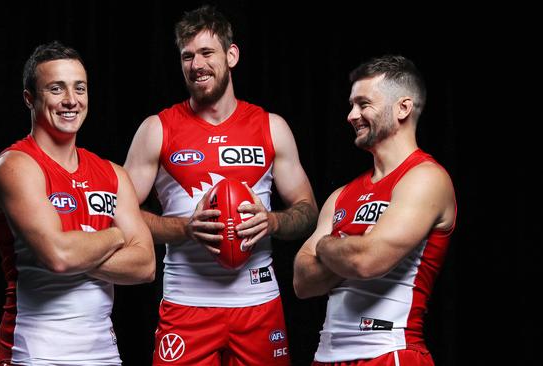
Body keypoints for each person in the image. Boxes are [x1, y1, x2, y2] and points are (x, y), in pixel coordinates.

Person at [123, 5, 318, 366]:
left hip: (258, 305)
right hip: (186, 305)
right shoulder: (157, 128)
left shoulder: (271, 126)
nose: (196, 65)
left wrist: (271, 221)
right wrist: (185, 228)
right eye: (187, 56)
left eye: (206, 52)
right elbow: (122, 216)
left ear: (231, 55)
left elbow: (308, 211)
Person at [0, 41, 155, 366]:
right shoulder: (15, 167)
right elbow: (58, 256)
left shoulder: (113, 174)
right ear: (29, 99)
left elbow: (145, 265)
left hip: (103, 355)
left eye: (80, 88)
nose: (71, 101)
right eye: (56, 89)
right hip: (33, 353)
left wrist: (75, 245)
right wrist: (118, 237)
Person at [293, 54, 457, 365]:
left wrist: (329, 244)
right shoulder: (341, 195)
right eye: (351, 105)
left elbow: (367, 260)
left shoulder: (426, 178)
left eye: (363, 104)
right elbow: (302, 281)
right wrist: (350, 249)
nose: (351, 115)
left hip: (389, 351)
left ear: (403, 108)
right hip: (326, 356)